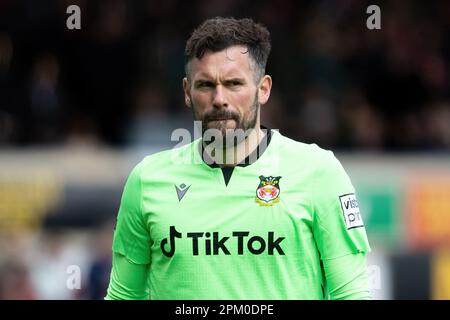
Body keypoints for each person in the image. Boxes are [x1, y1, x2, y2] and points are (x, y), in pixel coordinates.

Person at [105, 17, 371, 300]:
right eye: (206, 85)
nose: (219, 98)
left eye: (233, 83)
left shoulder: (319, 172)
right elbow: (123, 296)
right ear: (187, 92)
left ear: (263, 89)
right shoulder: (147, 180)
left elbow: (351, 295)